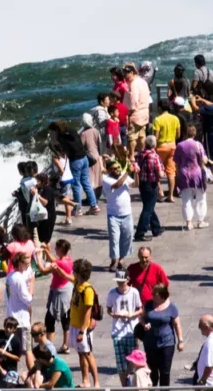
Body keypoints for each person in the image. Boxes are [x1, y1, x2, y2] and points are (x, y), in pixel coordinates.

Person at [51, 120, 98, 217]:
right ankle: (94, 206)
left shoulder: (61, 137)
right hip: (84, 158)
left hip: (75, 161)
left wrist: (56, 137)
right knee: (86, 182)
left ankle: (78, 209)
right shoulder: (72, 131)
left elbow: (63, 149)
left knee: (76, 185)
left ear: (56, 130)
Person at [141, 283, 184, 387]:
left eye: (154, 294)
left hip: (167, 343)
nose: (152, 296)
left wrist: (180, 341)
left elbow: (177, 324)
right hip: (150, 343)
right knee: (152, 372)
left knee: (165, 372)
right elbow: (141, 317)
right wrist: (144, 324)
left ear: (161, 295)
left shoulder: (171, 307)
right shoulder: (148, 304)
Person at [106, 270, 143, 386]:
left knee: (133, 362)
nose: (120, 284)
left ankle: (132, 382)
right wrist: (115, 315)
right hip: (118, 332)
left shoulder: (134, 292)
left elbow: (140, 309)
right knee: (120, 365)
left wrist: (132, 315)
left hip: (131, 331)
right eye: (118, 281)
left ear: (127, 280)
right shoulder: (112, 293)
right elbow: (109, 309)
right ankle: (124, 386)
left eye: (122, 281)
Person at [38, 240, 74, 351]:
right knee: (65, 318)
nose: (55, 249)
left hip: (59, 292)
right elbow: (55, 260)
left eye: (57, 248)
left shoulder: (59, 263)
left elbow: (44, 270)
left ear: (61, 250)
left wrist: (38, 256)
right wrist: (46, 251)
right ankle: (65, 345)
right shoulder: (68, 259)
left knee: (50, 318)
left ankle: (49, 347)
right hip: (67, 290)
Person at [67, 259, 97, 388]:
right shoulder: (76, 283)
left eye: (74, 270)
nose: (72, 272)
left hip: (82, 328)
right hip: (74, 324)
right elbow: (65, 276)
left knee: (88, 353)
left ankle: (96, 382)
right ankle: (85, 380)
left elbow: (87, 312)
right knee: (81, 354)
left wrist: (82, 331)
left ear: (79, 273)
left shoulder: (87, 289)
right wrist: (56, 268)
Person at [101, 159, 134, 270]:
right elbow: (117, 185)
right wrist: (127, 172)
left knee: (127, 238)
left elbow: (135, 184)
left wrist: (137, 173)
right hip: (113, 214)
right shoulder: (106, 179)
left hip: (127, 213)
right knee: (114, 239)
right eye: (114, 169)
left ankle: (121, 260)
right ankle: (113, 261)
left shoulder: (124, 176)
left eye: (118, 167)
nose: (118, 170)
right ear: (109, 170)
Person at [175, 124, 209, 229]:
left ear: (185, 133)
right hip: (197, 174)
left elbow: (176, 162)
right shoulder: (198, 145)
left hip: (184, 174)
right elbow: (204, 160)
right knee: (201, 198)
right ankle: (200, 220)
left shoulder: (180, 145)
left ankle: (188, 222)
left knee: (186, 199)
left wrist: (178, 174)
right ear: (195, 133)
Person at [134, 138, 164, 241]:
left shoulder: (139, 155)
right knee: (147, 209)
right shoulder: (154, 156)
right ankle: (140, 232)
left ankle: (156, 228)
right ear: (154, 145)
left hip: (142, 184)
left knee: (148, 206)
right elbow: (160, 173)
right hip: (151, 185)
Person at [151, 101, 181, 200]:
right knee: (171, 172)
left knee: (157, 170)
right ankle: (171, 195)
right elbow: (178, 135)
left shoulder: (157, 120)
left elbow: (156, 136)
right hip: (172, 146)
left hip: (161, 146)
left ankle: (160, 191)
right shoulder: (175, 118)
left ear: (160, 108)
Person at [124, 63, 153, 152]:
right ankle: (142, 152)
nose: (125, 76)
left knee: (131, 137)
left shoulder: (133, 84)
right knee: (141, 135)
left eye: (127, 73)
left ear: (132, 73)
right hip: (144, 114)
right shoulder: (143, 81)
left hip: (135, 115)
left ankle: (132, 155)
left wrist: (128, 115)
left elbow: (133, 102)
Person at [4, 253, 33, 335]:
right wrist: (30, 286)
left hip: (11, 314)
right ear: (20, 264)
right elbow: (27, 299)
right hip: (21, 317)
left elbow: (6, 295)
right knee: (26, 346)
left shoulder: (10, 275)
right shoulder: (19, 279)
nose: (28, 265)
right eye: (26, 264)